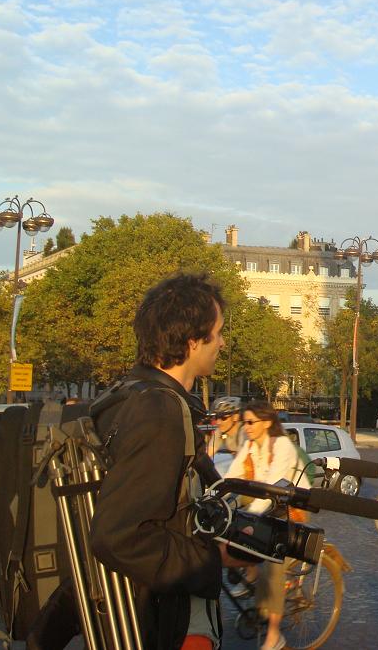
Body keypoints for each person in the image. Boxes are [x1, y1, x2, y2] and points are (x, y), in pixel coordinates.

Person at [90, 272, 246, 649]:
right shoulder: (158, 410)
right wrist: (212, 558)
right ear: (193, 341)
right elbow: (121, 536)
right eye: (218, 332)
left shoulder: (127, 394)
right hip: (159, 619)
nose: (222, 343)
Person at [225, 403, 307, 650]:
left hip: (289, 512)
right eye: (244, 423)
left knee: (273, 566)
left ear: (267, 423)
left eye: (250, 422)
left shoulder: (281, 446)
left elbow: (272, 490)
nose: (246, 427)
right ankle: (251, 574)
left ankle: (274, 635)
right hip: (265, 508)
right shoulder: (249, 446)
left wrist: (246, 523)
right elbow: (232, 478)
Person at [206, 396, 245, 460]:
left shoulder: (244, 432)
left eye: (223, 418)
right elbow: (209, 453)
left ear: (235, 417)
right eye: (216, 417)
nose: (218, 422)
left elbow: (242, 458)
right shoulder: (220, 431)